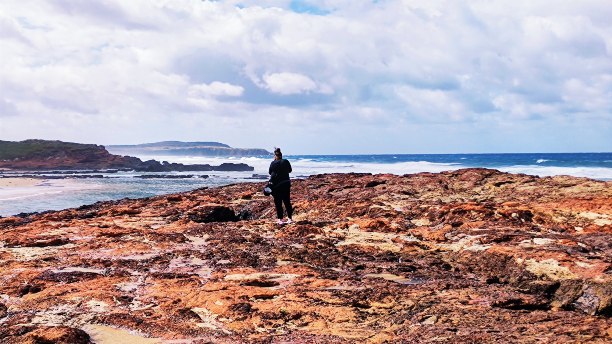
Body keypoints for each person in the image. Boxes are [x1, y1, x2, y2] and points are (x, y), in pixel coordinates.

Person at [269, 147, 293, 225]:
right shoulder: (286, 161)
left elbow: (270, 172)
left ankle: (280, 219)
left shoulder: (273, 163)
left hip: (276, 186)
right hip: (286, 184)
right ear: (281, 155)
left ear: (275, 156)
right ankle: (290, 219)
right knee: (287, 202)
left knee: (278, 203)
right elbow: (290, 170)